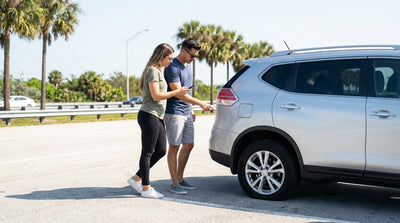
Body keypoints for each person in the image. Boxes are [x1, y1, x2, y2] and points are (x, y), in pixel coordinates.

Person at [127, 43, 190, 199]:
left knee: (161, 150)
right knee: (147, 152)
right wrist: (177, 91)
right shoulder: (153, 71)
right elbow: (156, 96)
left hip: (157, 116)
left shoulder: (159, 71)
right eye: (168, 58)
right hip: (149, 115)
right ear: (161, 57)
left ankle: (136, 178)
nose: (170, 61)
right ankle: (146, 188)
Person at [164, 38, 213, 195]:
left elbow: (188, 91)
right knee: (174, 147)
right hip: (174, 113)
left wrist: (191, 108)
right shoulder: (172, 67)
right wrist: (200, 103)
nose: (194, 59)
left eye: (196, 56)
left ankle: (180, 178)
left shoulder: (187, 67)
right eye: (192, 55)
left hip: (186, 112)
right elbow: (179, 93)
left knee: (189, 145)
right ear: (183, 51)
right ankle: (174, 183)